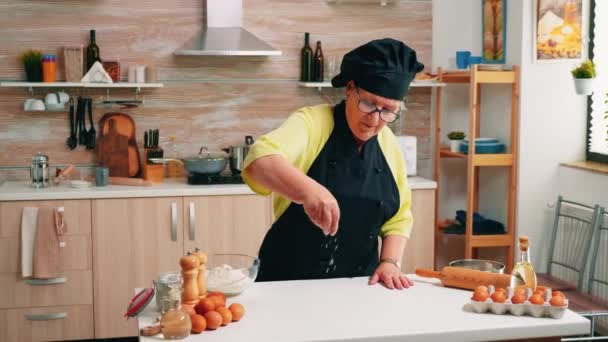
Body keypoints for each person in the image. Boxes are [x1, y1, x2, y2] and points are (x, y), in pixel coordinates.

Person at [242, 38, 424, 290]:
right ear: (350, 88)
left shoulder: (388, 143)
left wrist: (390, 261)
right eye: (368, 103)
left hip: (359, 287)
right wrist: (309, 191)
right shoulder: (312, 122)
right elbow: (259, 161)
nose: (375, 119)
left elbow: (399, 216)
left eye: (388, 110)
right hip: (287, 284)